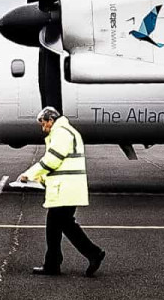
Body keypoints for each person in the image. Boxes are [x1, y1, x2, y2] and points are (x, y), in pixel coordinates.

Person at [22, 106, 106, 276]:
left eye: (43, 123)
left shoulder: (61, 132)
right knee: (60, 226)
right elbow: (61, 163)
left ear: (50, 120)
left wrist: (29, 174)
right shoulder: (66, 131)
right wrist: (42, 178)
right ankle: (55, 263)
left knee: (60, 226)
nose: (43, 127)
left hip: (65, 189)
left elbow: (53, 159)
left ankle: (92, 254)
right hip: (67, 187)